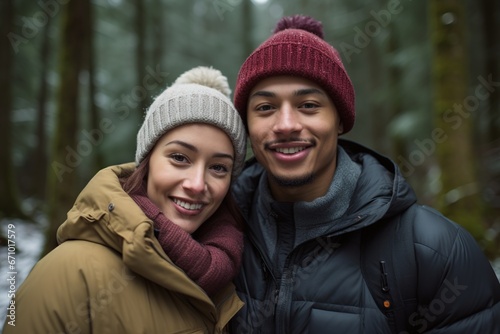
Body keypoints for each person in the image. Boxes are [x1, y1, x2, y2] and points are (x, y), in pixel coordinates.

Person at [227, 15, 500, 333]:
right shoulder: (217, 232)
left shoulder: (435, 251)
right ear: (247, 125)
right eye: (265, 108)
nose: (286, 124)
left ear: (340, 120)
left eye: (309, 105)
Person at [3, 66, 247, 334]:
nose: (197, 184)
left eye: (219, 167)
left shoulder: (234, 274)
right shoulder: (67, 275)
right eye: (179, 158)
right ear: (146, 162)